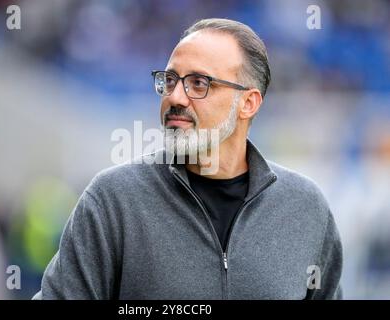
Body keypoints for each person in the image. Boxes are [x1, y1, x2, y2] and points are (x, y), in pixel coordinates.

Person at [34, 18, 342, 299]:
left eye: (199, 83)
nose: (175, 97)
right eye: (170, 81)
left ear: (248, 103)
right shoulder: (113, 200)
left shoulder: (306, 208)